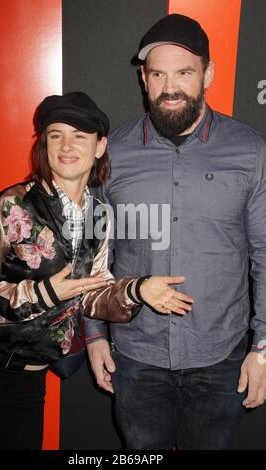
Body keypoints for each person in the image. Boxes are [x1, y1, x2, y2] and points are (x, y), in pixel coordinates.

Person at [0, 91, 193, 450]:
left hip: (30, 380)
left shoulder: (99, 216)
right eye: (56, 134)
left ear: (100, 146)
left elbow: (92, 293)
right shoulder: (13, 205)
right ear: (45, 145)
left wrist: (137, 290)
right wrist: (44, 293)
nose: (67, 145)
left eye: (80, 136)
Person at [86, 14, 266, 450]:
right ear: (143, 78)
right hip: (135, 356)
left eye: (184, 72)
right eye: (158, 74)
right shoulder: (112, 153)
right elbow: (92, 255)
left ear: (207, 73)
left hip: (220, 356)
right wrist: (94, 336)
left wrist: (262, 348)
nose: (170, 87)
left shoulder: (252, 151)